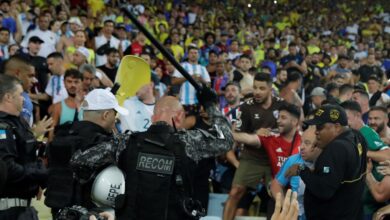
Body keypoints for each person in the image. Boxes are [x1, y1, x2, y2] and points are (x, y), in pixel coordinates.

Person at [115, 86, 233, 220]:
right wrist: (210, 105)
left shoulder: (125, 141)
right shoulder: (189, 142)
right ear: (180, 116)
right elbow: (227, 139)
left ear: (153, 117)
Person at [45, 88, 129, 218]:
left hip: (58, 212)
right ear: (106, 115)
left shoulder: (61, 135)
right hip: (91, 214)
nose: (115, 120)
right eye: (115, 114)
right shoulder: (106, 143)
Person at [287, 104, 367, 220]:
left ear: (337, 127)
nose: (316, 132)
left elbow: (323, 190)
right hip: (352, 212)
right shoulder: (357, 136)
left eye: (320, 127)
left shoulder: (336, 148)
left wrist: (302, 170)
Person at [223, 73, 286, 220]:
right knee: (235, 192)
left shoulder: (282, 105)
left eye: (262, 88)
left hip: (275, 158)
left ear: (270, 89)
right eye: (255, 87)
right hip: (252, 157)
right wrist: (255, 134)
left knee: (279, 196)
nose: (257, 91)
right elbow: (235, 134)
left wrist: (274, 132)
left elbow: (293, 126)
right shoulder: (246, 107)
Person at [0, 74, 48, 220]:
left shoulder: (19, 123)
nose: (23, 98)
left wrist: (41, 177)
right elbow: (7, 168)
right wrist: (43, 174)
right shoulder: (2, 127)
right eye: (20, 94)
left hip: (24, 208)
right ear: (8, 97)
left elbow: (29, 156)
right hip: (7, 210)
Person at [270, 126, 322, 220]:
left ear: (319, 145)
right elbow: (276, 185)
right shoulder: (293, 160)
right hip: (298, 214)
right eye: (301, 142)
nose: (301, 147)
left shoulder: (327, 161)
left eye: (307, 143)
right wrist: (286, 207)